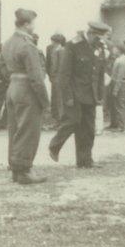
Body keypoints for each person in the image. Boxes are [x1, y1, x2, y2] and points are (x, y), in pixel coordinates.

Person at [49, 21, 109, 168]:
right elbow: (64, 74)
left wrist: (100, 95)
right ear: (90, 33)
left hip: (90, 94)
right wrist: (67, 96)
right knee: (72, 121)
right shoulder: (73, 46)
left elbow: (100, 73)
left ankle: (85, 161)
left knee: (88, 129)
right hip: (75, 93)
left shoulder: (99, 47)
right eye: (97, 37)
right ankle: (54, 146)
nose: (100, 41)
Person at [3, 8, 49, 184]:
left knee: (15, 129)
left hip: (12, 86)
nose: (34, 26)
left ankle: (16, 169)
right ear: (26, 24)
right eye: (33, 23)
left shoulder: (8, 43)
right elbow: (36, 77)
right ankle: (24, 171)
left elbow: (4, 67)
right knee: (28, 130)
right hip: (26, 89)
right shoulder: (27, 45)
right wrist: (45, 100)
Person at [46, 34, 66, 126]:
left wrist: (52, 75)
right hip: (59, 78)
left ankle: (60, 120)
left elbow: (55, 65)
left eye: (53, 41)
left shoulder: (57, 51)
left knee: (58, 99)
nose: (52, 43)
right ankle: (59, 119)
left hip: (57, 78)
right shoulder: (63, 50)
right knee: (58, 99)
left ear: (56, 41)